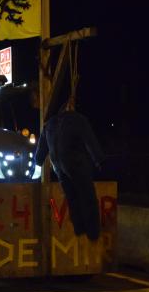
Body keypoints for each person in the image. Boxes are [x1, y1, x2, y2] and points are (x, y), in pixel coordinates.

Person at [35, 98, 105, 241]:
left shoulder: (49, 124)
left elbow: (40, 152)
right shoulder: (78, 120)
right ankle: (93, 234)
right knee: (87, 197)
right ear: (70, 107)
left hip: (59, 168)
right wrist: (99, 161)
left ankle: (79, 229)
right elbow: (90, 140)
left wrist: (38, 162)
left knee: (72, 197)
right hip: (76, 163)